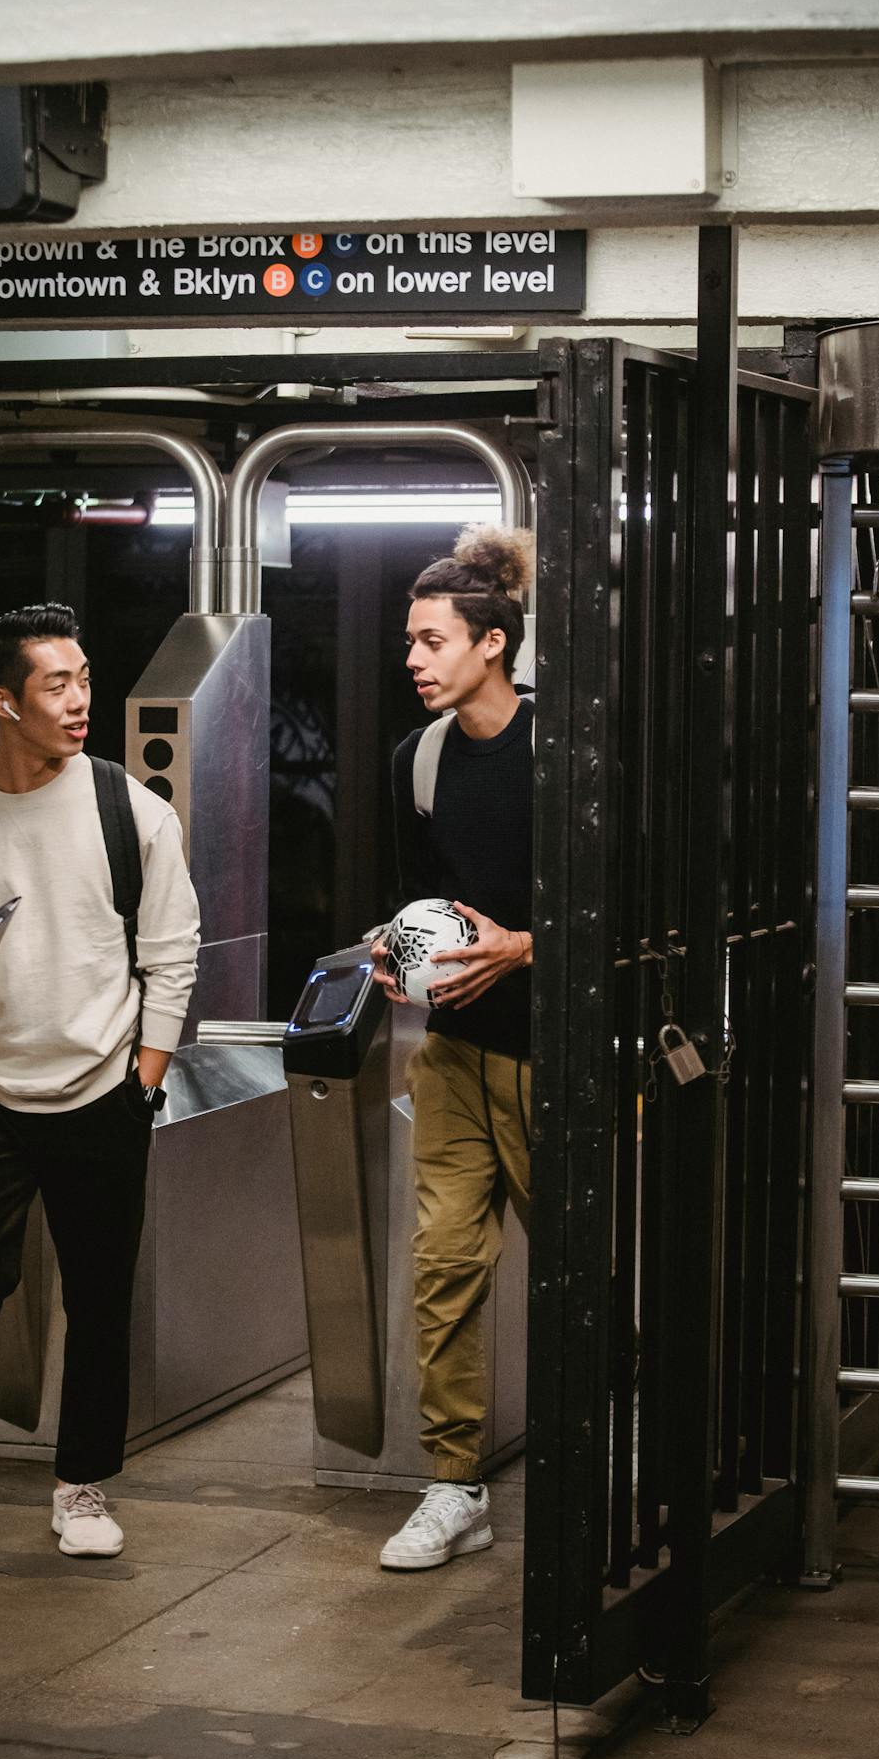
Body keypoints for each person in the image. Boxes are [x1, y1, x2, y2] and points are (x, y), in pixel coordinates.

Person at [0, 604, 200, 1580]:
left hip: (102, 1092)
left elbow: (170, 951)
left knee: (99, 1298)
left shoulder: (127, 808)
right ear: (4, 700)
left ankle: (82, 1485)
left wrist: (145, 1077)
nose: (81, 699)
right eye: (58, 684)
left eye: (84, 679)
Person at [372, 525, 534, 1571]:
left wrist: (526, 946)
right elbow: (412, 898)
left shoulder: (566, 750)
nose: (415, 660)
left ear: (494, 644)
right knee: (442, 1273)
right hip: (452, 1056)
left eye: (432, 641)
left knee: (589, 1275)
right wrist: (394, 950)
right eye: (410, 643)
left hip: (550, 1056)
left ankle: (621, 1455)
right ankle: (453, 1485)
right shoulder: (418, 760)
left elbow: (642, 905)